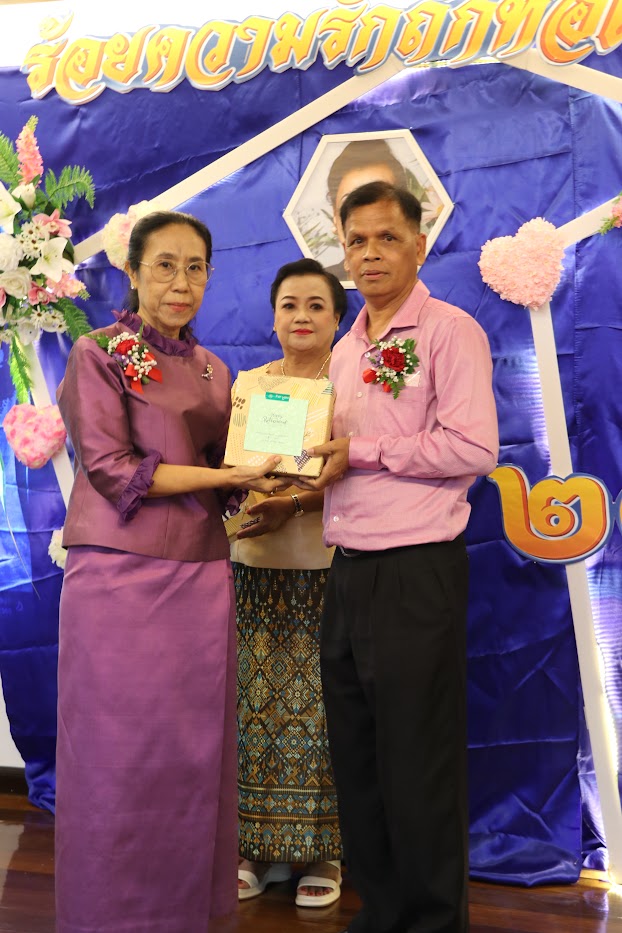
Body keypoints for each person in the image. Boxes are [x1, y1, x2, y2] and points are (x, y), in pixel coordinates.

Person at [55, 210, 286, 933]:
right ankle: (106, 914)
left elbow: (222, 470)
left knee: (188, 755)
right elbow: (112, 468)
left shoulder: (217, 371)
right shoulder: (98, 353)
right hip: (117, 580)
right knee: (116, 754)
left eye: (195, 268)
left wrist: (268, 482)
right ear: (131, 271)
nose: (181, 282)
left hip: (200, 577)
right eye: (164, 265)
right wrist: (231, 476)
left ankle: (182, 911)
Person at [297, 182, 499, 933]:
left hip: (416, 572)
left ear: (419, 244)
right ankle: (381, 916)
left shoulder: (450, 331)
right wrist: (287, 482)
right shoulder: (346, 348)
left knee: (419, 765)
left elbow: (473, 447)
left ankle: (433, 923)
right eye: (357, 240)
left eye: (387, 237)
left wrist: (364, 450)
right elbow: (335, 459)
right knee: (359, 761)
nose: (371, 253)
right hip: (348, 570)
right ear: (343, 253)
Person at [232, 258, 346, 908]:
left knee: (324, 712)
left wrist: (297, 500)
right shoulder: (250, 385)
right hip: (255, 565)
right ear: (273, 317)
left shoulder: (351, 386)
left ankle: (323, 850)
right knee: (256, 711)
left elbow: (358, 474)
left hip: (327, 569)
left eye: (315, 305)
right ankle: (257, 847)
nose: (301, 317)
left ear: (338, 318)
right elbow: (233, 467)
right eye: (289, 305)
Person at [324, 139, 408, 281]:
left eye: (380, 202)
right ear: (335, 218)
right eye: (351, 204)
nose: (367, 217)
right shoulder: (319, 285)